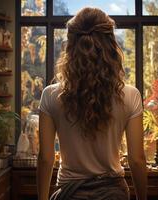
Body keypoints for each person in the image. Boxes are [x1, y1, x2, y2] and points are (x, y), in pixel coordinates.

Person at [37, 7, 147, 200]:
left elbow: (45, 159)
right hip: (113, 194)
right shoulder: (131, 96)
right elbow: (137, 160)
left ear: (70, 46)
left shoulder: (50, 95)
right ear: (111, 45)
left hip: (70, 194)